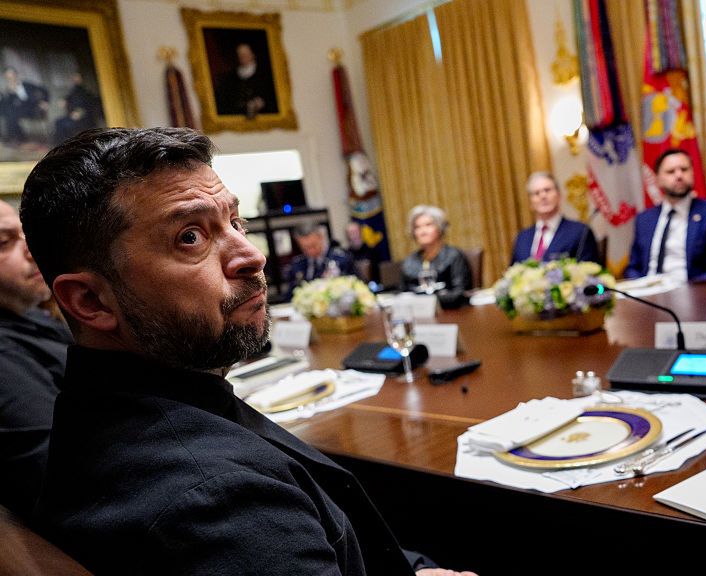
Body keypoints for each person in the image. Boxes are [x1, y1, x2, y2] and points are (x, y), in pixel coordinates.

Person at [20, 127, 476, 576]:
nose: (252, 255)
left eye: (235, 222)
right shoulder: (216, 505)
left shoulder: (109, 406)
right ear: (91, 301)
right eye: (190, 237)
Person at [0, 201, 73, 520]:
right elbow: (63, 475)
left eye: (25, 234)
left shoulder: (29, 315)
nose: (32, 250)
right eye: (5, 242)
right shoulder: (4, 360)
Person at [625, 149, 706, 281]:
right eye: (671, 172)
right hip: (649, 291)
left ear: (692, 173)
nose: (679, 175)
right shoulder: (644, 219)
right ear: (658, 179)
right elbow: (633, 267)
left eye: (684, 169)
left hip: (692, 291)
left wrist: (691, 286)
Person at [510, 172, 600, 265]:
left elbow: (591, 273)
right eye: (536, 193)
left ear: (559, 195)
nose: (543, 196)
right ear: (531, 203)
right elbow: (512, 275)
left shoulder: (580, 232)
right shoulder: (522, 238)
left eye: (547, 190)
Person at [400, 205, 472, 309]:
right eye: (417, 227)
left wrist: (425, 302)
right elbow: (403, 295)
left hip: (452, 313)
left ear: (439, 227)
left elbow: (460, 293)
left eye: (428, 225)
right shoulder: (409, 262)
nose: (422, 231)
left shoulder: (454, 256)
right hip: (419, 316)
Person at [285, 223, 356, 298]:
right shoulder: (297, 265)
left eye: (313, 245)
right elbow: (291, 295)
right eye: (305, 248)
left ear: (320, 237)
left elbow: (355, 286)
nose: (310, 251)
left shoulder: (342, 258)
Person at [215, 43, 278, 119]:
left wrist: (262, 103)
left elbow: (273, 99)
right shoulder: (230, 78)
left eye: (245, 54)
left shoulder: (265, 74)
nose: (243, 57)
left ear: (253, 54)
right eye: (240, 55)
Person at [0, 66, 50, 144]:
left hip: (32, 108)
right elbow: (7, 104)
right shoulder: (7, 89)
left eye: (12, 76)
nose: (11, 79)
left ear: (16, 75)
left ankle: (17, 137)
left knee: (11, 114)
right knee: (8, 112)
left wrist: (45, 101)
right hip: (18, 110)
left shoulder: (26, 84)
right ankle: (17, 138)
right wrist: (9, 93)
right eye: (8, 78)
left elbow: (44, 90)